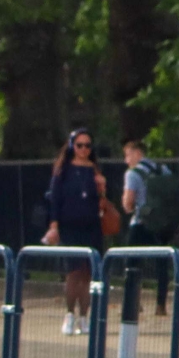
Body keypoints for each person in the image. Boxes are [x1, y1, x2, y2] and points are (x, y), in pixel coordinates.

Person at [41, 131, 110, 334]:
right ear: (72, 146)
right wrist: (54, 226)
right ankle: (70, 314)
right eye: (79, 145)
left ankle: (84, 317)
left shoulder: (94, 170)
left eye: (87, 146)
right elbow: (55, 199)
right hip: (69, 226)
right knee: (73, 272)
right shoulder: (63, 170)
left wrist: (102, 188)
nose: (84, 150)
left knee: (88, 273)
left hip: (91, 225)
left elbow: (102, 203)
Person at [118, 135, 173, 316]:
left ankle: (134, 302)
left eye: (128, 155)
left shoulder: (132, 174)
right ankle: (161, 305)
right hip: (162, 223)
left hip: (141, 223)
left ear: (137, 153)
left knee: (132, 263)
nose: (126, 160)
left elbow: (128, 203)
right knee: (162, 264)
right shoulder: (163, 169)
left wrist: (128, 204)